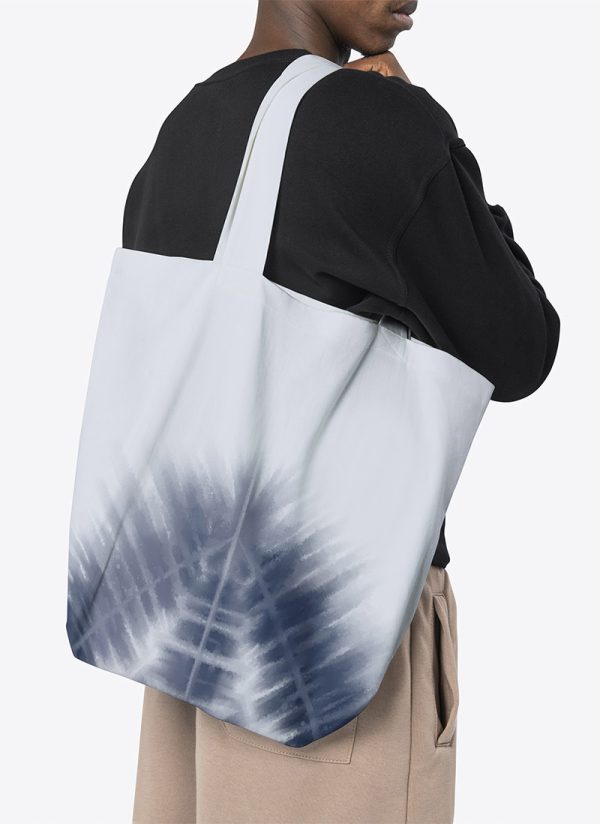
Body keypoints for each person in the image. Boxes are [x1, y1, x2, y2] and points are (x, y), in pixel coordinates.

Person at [127, 2, 560, 822]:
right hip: (336, 644)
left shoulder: (183, 129)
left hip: (183, 626)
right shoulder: (385, 127)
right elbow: (521, 347)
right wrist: (438, 142)